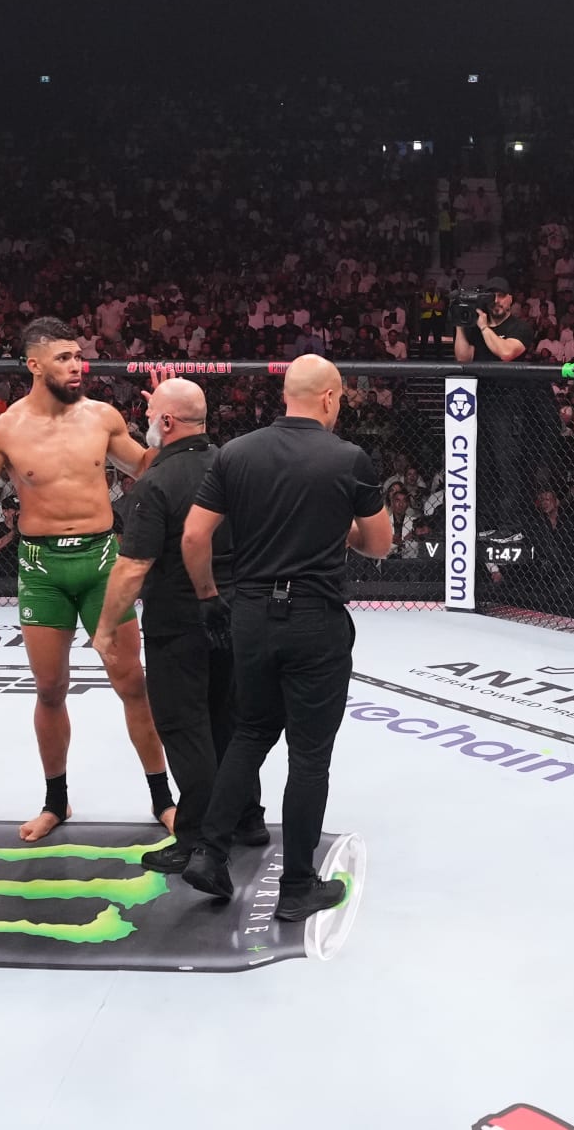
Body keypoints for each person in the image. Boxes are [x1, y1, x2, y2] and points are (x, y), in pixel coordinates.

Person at [0, 317, 173, 841]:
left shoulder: (103, 417)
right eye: (64, 358)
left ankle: (163, 798)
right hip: (42, 567)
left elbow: (146, 467)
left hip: (102, 559)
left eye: (78, 356)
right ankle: (55, 801)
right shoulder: (6, 430)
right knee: (49, 690)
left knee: (132, 683)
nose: (77, 365)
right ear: (34, 364)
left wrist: (165, 429)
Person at [177, 355, 390, 918]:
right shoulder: (348, 458)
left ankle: (208, 853)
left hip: (248, 612)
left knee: (250, 733)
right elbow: (380, 543)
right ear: (327, 398)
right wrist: (331, 527)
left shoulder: (235, 453)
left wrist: (207, 599)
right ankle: (297, 887)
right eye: (340, 399)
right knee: (310, 756)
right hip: (314, 619)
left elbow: (195, 536)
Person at [92, 378, 264, 872]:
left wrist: (105, 629)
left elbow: (132, 566)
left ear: (166, 423)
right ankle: (247, 817)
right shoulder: (234, 466)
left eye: (152, 418)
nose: (146, 424)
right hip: (236, 613)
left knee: (185, 728)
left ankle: (198, 839)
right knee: (229, 721)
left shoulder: (157, 483)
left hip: (180, 622)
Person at [453, 285, 534, 528]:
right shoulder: (478, 324)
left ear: (511, 298)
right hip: (480, 399)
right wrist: (460, 323)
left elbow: (506, 352)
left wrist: (484, 327)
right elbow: (463, 358)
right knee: (483, 465)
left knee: (506, 465)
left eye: (501, 296)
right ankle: (486, 523)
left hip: (508, 402)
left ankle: (510, 525)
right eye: (492, 296)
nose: (497, 301)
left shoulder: (520, 327)